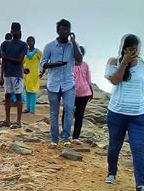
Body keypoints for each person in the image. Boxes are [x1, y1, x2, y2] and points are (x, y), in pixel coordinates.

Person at [104, 34, 144, 191]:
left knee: (138, 148)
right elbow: (115, 80)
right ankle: (112, 172)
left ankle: (140, 185)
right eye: (131, 49)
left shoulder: (142, 65)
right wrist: (124, 62)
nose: (135, 52)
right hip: (117, 113)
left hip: (138, 113)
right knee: (114, 146)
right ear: (124, 49)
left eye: (137, 49)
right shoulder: (113, 62)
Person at [39, 19, 82, 147]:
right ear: (58, 31)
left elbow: (79, 60)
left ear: (70, 31)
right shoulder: (49, 46)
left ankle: (66, 137)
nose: (64, 32)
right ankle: (54, 138)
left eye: (67, 30)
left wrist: (73, 42)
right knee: (54, 112)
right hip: (53, 84)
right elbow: (43, 63)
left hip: (68, 83)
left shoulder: (73, 45)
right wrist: (55, 64)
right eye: (62, 30)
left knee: (69, 109)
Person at [0, 22, 28, 128]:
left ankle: (18, 121)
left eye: (17, 30)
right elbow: (3, 62)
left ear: (20, 32)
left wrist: (5, 57)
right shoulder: (5, 44)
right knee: (7, 95)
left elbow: (20, 60)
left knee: (19, 96)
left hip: (17, 74)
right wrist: (1, 76)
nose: (15, 32)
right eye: (13, 30)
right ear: (11, 31)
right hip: (7, 74)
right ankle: (7, 120)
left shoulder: (23, 45)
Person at [61, 46, 92, 143]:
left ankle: (75, 137)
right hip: (70, 93)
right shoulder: (69, 64)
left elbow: (88, 78)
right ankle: (65, 133)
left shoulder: (85, 65)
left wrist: (91, 91)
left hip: (84, 94)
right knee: (66, 113)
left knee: (79, 115)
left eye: (81, 53)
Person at [22, 36, 42, 114]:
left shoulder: (38, 52)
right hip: (27, 74)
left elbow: (43, 61)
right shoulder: (25, 52)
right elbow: (22, 62)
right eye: (28, 41)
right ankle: (27, 108)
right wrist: (23, 69)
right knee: (27, 90)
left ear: (34, 42)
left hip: (34, 74)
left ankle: (32, 109)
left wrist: (42, 71)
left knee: (33, 91)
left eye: (31, 41)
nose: (30, 43)